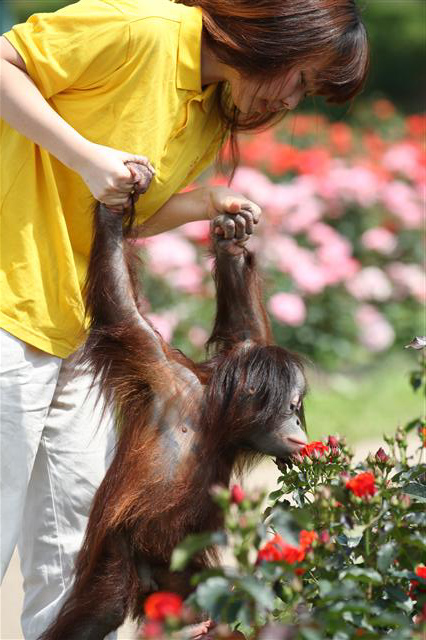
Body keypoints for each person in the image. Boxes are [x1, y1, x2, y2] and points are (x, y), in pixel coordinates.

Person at [0, 0, 369, 637]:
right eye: (302, 80)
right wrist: (87, 156)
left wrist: (203, 204)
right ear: (280, 35)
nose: (288, 102)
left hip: (71, 326)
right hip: (9, 299)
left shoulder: (209, 109)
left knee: (76, 561)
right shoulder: (142, 30)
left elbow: (124, 209)